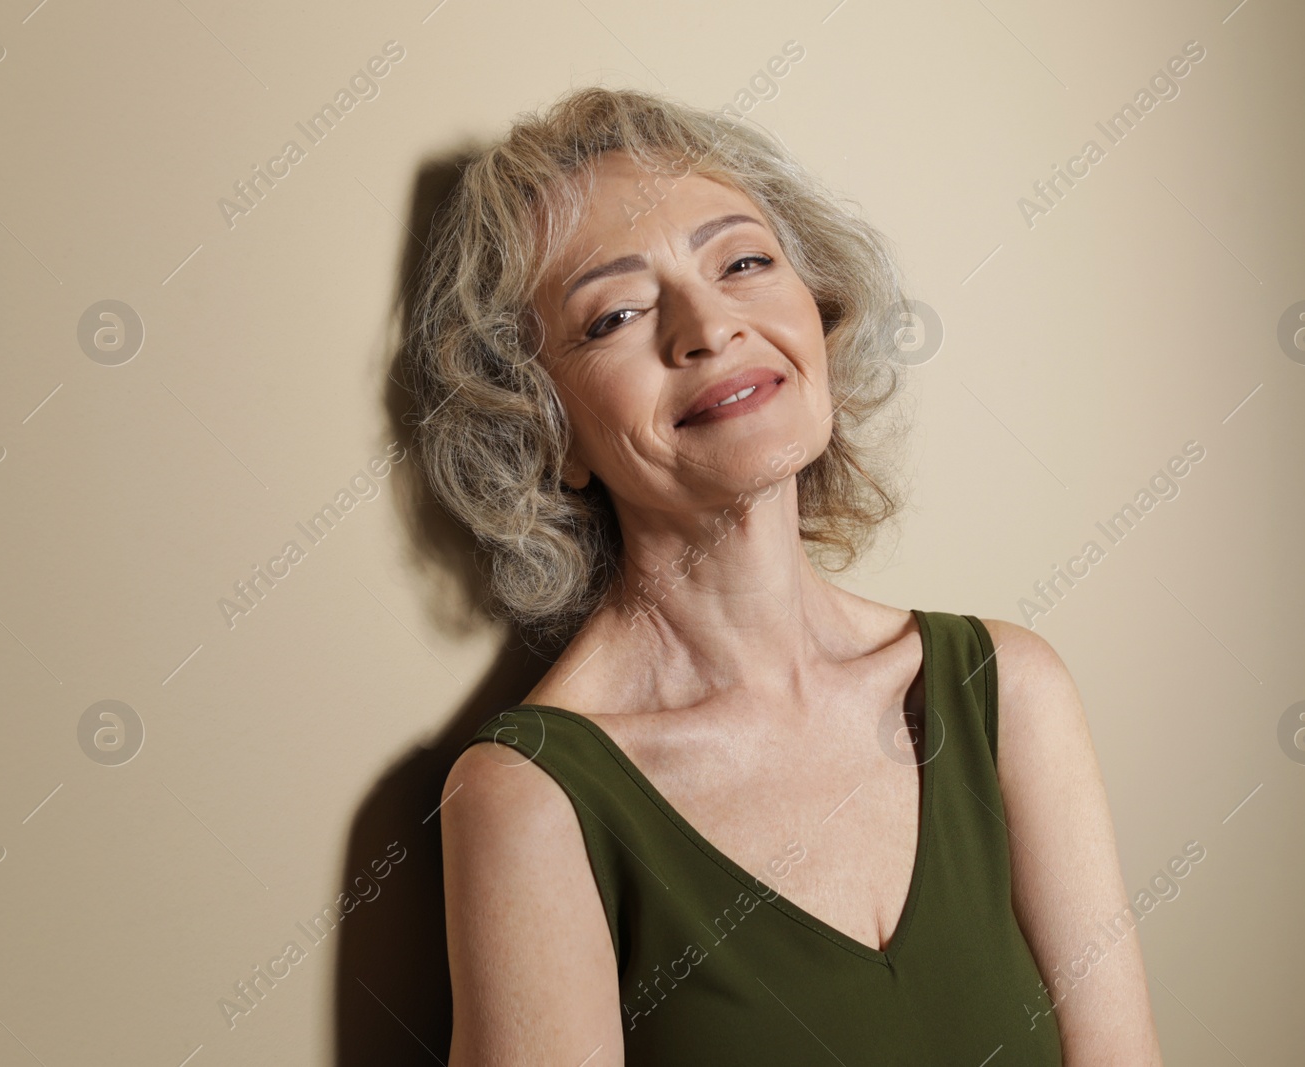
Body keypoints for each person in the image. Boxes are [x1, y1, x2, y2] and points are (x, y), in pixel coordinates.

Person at [414, 86, 1162, 1064]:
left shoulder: (1005, 689)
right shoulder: (529, 799)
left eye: (744, 262)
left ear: (817, 312)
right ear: (546, 426)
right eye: (617, 314)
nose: (707, 325)